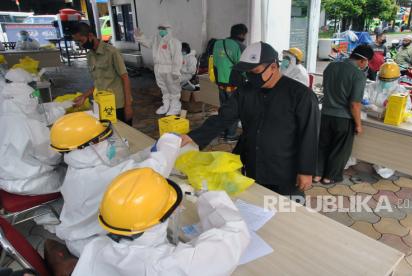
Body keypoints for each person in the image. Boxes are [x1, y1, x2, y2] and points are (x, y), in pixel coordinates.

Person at [182, 42, 320, 199]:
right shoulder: (246, 91)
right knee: (257, 204)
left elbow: (309, 135)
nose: (251, 77)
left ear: (274, 67)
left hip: (285, 168)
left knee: (287, 212)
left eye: (255, 71)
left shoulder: (301, 95)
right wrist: (193, 137)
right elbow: (223, 118)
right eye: (247, 72)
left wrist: (306, 171)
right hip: (253, 161)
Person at [48, 112, 182, 258]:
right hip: (93, 245)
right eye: (102, 139)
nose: (107, 143)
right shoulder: (99, 177)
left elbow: (125, 165)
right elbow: (154, 170)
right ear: (89, 146)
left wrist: (149, 151)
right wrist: (171, 140)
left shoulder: (78, 166)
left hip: (80, 235)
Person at [72, 168, 250, 276]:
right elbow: (236, 233)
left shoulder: (95, 246)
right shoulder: (168, 266)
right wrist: (210, 195)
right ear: (161, 218)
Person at [0, 68, 70, 195]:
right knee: (71, 174)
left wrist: (59, 108)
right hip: (30, 182)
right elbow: (52, 156)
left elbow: (37, 112)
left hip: (5, 179)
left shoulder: (7, 113)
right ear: (28, 98)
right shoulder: (31, 125)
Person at [315, 45, 374, 184]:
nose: (366, 65)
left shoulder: (331, 67)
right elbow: (355, 104)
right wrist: (358, 125)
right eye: (368, 62)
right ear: (363, 60)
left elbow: (326, 89)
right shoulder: (358, 75)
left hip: (325, 114)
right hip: (343, 119)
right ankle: (329, 177)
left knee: (322, 145)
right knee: (339, 149)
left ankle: (316, 174)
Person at [71, 23, 134, 125]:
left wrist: (128, 106)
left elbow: (125, 78)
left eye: (81, 41)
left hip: (118, 105)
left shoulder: (111, 52)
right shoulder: (90, 56)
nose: (81, 45)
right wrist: (84, 96)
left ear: (90, 36)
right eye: (77, 42)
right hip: (103, 104)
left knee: (124, 135)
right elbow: (99, 83)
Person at [363, 62, 411, 179]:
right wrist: (367, 103)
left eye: (388, 81)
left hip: (388, 124)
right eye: (383, 79)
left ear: (396, 79)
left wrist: (382, 109)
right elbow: (363, 97)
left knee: (385, 146)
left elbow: (407, 107)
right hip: (368, 120)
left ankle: (383, 165)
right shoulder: (372, 86)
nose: (385, 83)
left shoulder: (401, 91)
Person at [135, 23, 183, 115]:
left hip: (169, 69)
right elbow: (147, 43)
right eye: (160, 28)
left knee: (173, 88)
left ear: (168, 29)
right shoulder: (156, 40)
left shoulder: (174, 42)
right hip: (158, 68)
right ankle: (166, 105)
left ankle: (175, 106)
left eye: (163, 28)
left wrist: (176, 71)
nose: (161, 30)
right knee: (164, 88)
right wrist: (139, 36)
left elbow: (177, 57)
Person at [213, 23, 248, 142]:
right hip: (234, 83)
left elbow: (215, 62)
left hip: (220, 81)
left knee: (223, 107)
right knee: (234, 108)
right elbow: (243, 67)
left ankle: (222, 131)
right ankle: (231, 135)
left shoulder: (217, 43)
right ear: (242, 34)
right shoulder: (240, 46)